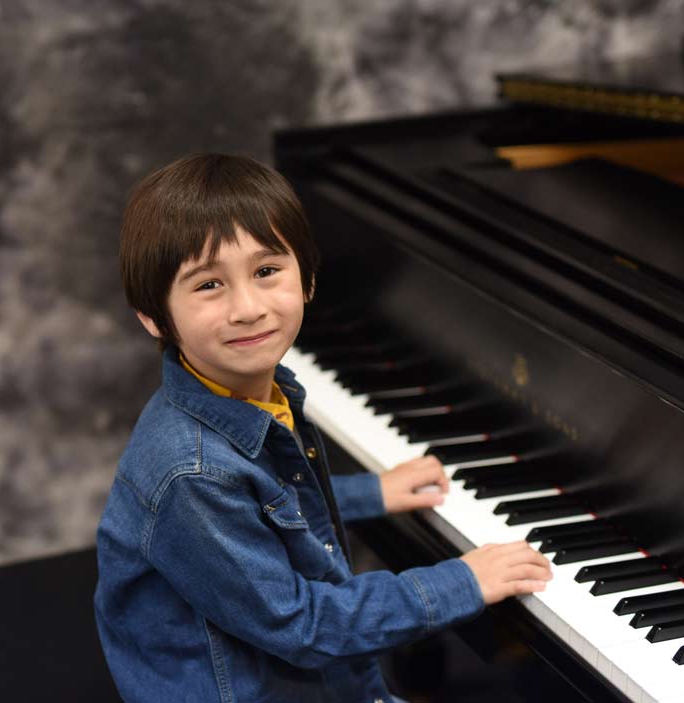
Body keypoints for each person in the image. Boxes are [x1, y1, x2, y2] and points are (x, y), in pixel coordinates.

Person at [93, 153, 553, 703]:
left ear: (307, 279)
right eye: (209, 285)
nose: (247, 308)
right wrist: (461, 581)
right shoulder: (191, 472)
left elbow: (264, 508)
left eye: (267, 272)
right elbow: (302, 627)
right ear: (153, 316)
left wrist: (369, 493)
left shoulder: (259, 394)